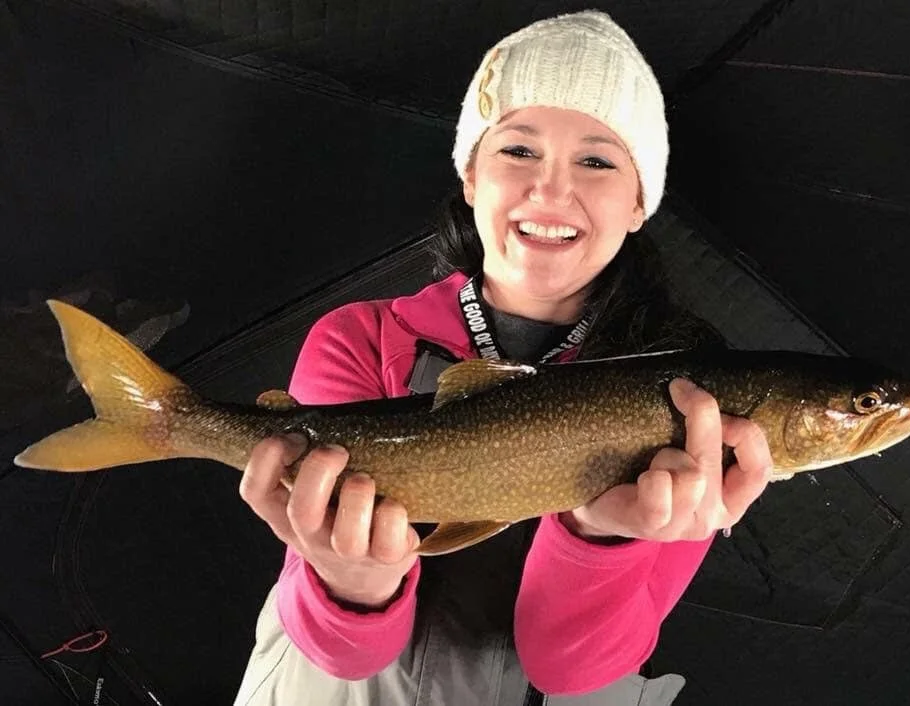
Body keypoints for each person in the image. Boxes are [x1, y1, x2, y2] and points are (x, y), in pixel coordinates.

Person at [233, 10, 772, 706]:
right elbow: (342, 652)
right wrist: (351, 583)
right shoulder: (360, 341)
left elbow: (569, 672)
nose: (550, 189)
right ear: (470, 175)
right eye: (518, 150)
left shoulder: (691, 401)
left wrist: (604, 532)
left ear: (641, 201)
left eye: (598, 160)